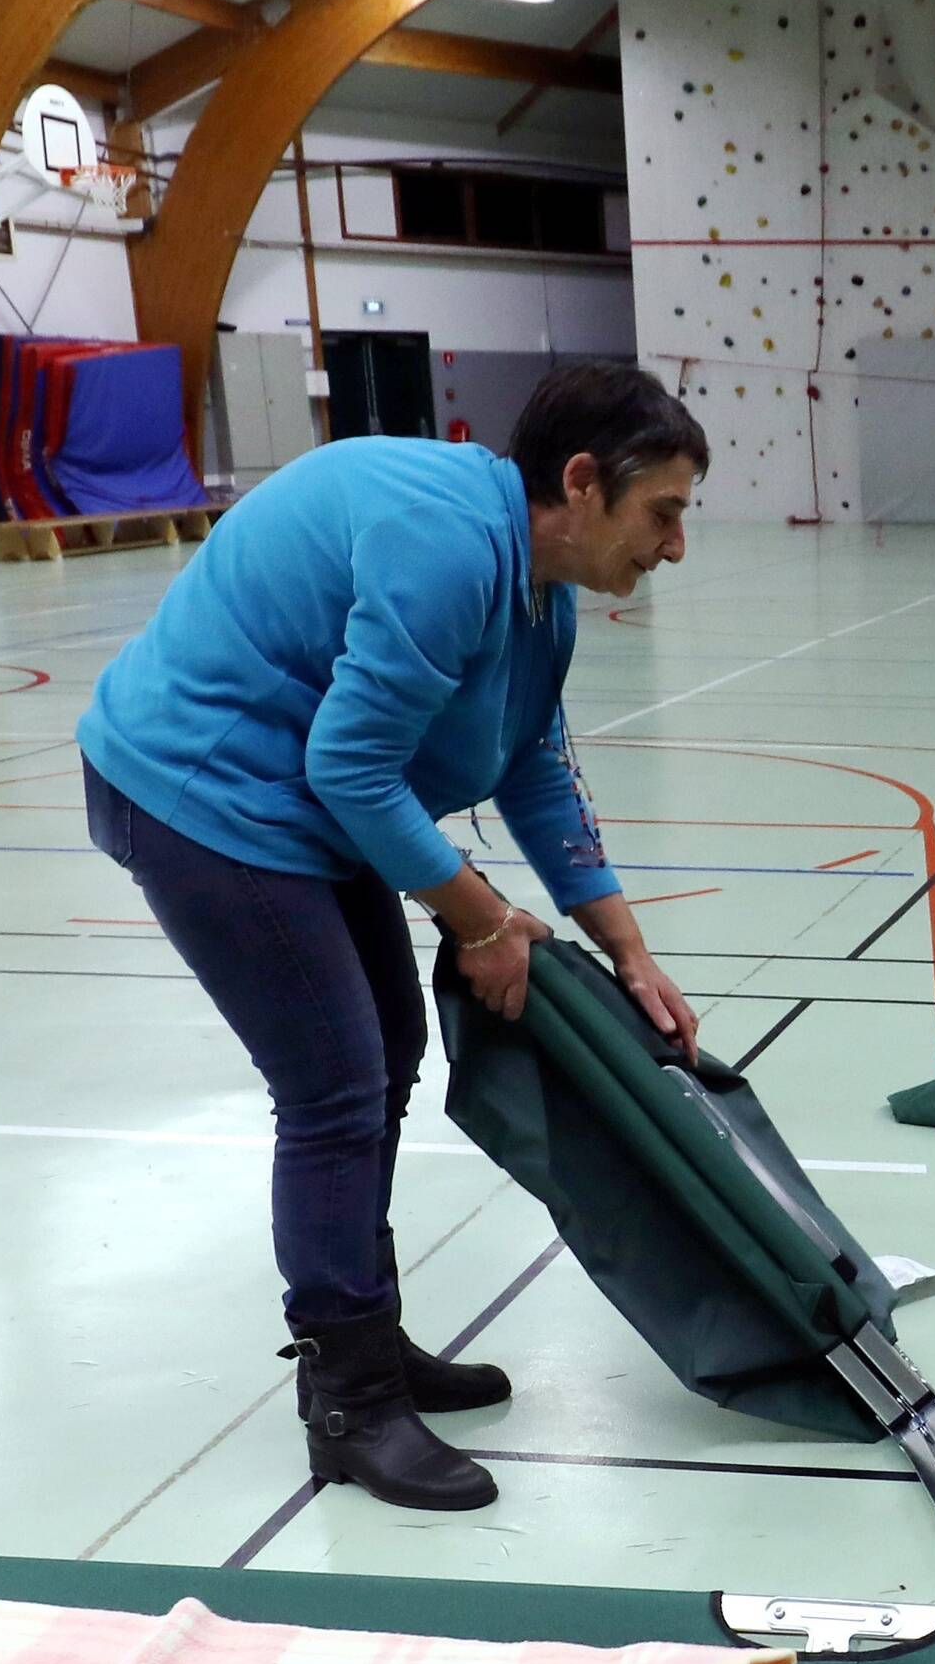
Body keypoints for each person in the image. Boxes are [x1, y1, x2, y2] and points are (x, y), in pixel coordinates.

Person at [77, 361, 709, 1516]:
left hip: (305, 805)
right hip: (202, 793)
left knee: (389, 1047)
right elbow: (350, 765)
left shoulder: (537, 581)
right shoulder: (448, 547)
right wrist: (481, 920)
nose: (673, 546)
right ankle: (350, 1401)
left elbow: (530, 762)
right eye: (662, 512)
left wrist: (626, 946)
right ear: (580, 482)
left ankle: (365, 1332)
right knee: (333, 1083)